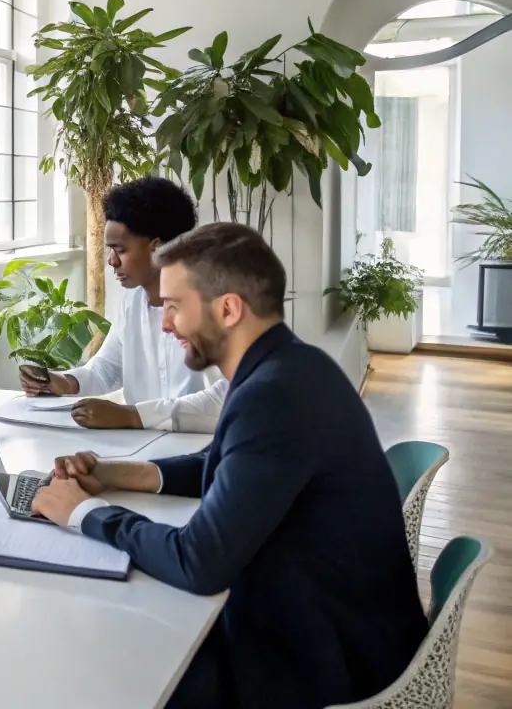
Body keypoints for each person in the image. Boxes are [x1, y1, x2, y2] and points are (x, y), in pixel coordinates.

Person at [32, 222, 426, 709]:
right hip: (324, 619)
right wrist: (112, 474)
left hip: (328, 663)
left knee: (114, 665)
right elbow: (223, 465)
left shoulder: (274, 395)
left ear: (228, 308)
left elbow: (200, 563)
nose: (165, 323)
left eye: (174, 305)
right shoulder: (291, 366)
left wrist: (82, 514)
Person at [23, 176, 227, 432]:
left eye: (119, 250)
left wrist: (133, 416)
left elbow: (229, 397)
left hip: (204, 454)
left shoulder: (216, 304)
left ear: (157, 248)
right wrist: (63, 382)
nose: (111, 261)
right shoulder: (133, 300)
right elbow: (106, 369)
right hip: (140, 447)